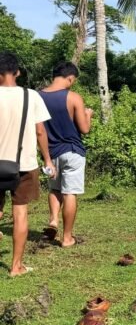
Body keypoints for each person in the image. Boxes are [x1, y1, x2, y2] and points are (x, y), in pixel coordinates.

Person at [0, 52, 54, 277]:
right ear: (18, 72)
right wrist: (48, 160)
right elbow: (40, 130)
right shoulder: (31, 96)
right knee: (20, 213)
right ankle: (16, 266)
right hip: (23, 163)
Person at [39, 62, 92, 248]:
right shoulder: (73, 97)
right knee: (70, 192)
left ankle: (53, 220)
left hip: (50, 152)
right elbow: (84, 129)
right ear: (70, 78)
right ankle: (67, 237)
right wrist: (88, 115)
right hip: (72, 150)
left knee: (55, 189)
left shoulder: (38, 96)